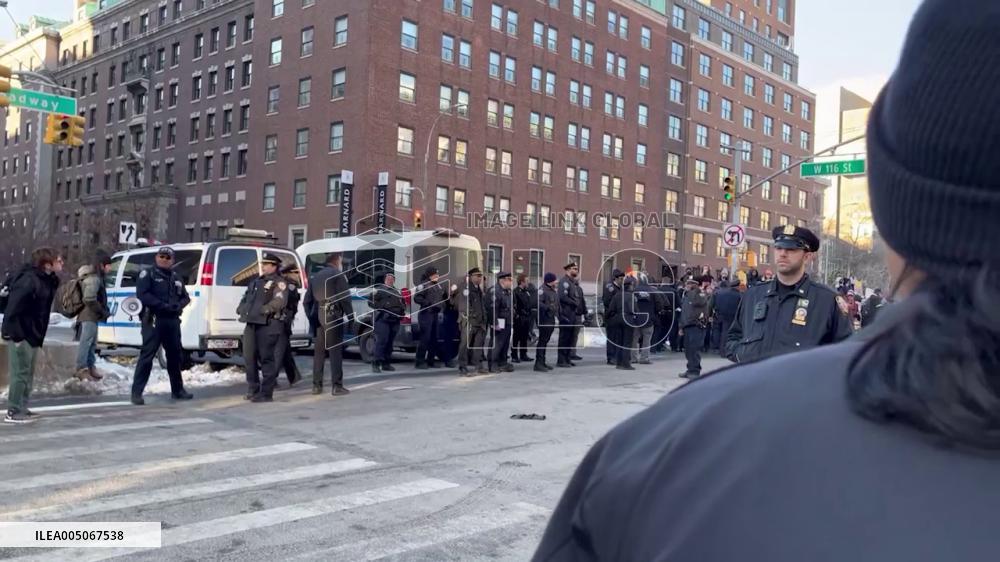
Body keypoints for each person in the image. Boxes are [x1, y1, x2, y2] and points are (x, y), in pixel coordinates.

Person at [533, 5, 1000, 558]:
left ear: (894, 206)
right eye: (775, 248)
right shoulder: (693, 421)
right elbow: (734, 334)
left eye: (789, 249)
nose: (780, 256)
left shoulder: (670, 446)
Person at [726, 225, 853, 364]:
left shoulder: (827, 300)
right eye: (779, 248)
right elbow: (733, 337)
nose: (783, 253)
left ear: (807, 257)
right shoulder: (754, 295)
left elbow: (846, 352)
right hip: (756, 383)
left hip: (799, 384)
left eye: (791, 249)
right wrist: (742, 354)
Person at [2, 248, 61, 424]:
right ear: (47, 263)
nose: (62, 263)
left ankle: (22, 407)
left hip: (34, 333)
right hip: (21, 333)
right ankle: (13, 410)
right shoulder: (29, 280)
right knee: (19, 373)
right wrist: (13, 334)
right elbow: (13, 308)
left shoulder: (47, 280)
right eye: (59, 260)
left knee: (28, 373)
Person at [131, 246, 193, 406]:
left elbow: (186, 297)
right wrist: (162, 305)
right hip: (153, 320)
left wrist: (178, 305)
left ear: (172, 260)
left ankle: (177, 390)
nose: (164, 260)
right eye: (161, 256)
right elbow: (143, 294)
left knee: (174, 357)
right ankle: (136, 393)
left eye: (167, 257)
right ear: (156, 258)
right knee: (147, 356)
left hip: (172, 321)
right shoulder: (148, 274)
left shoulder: (176, 277)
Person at [237, 253, 289, 402]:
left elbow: (279, 301)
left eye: (266, 264)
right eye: (263, 264)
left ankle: (266, 393)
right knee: (249, 357)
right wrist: (241, 307)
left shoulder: (279, 283)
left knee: (266, 359)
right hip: (251, 323)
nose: (263, 267)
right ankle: (253, 389)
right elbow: (246, 297)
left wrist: (265, 309)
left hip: (268, 324)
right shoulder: (256, 282)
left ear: (274, 266)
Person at [305, 252, 354, 396]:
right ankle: (337, 386)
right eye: (341, 261)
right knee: (335, 352)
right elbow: (345, 299)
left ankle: (316, 385)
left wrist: (312, 318)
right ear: (337, 261)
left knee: (319, 353)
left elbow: (307, 302)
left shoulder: (315, 276)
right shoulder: (337, 275)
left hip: (319, 316)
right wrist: (351, 317)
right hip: (333, 316)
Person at [74, 250, 112, 382]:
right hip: (88, 315)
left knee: (92, 342)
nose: (110, 268)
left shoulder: (97, 278)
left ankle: (91, 367)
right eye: (108, 265)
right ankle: (81, 368)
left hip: (92, 315)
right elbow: (89, 298)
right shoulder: (94, 278)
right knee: (86, 342)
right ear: (102, 265)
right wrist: (101, 310)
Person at [452, 267, 488, 376]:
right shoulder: (466, 289)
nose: (480, 278)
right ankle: (462, 367)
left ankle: (478, 365)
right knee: (464, 345)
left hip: (479, 322)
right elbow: (464, 306)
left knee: (478, 345)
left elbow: (481, 305)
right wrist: (472, 317)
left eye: (480, 276)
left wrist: (483, 319)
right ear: (471, 277)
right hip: (469, 322)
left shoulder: (478, 289)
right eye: (477, 276)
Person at [370, 272, 404, 373]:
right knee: (382, 341)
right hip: (383, 320)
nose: (390, 280)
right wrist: (383, 307)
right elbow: (370, 302)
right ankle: (376, 363)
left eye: (392, 278)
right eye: (389, 278)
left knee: (390, 343)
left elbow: (402, 303)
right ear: (385, 279)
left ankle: (386, 363)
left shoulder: (396, 291)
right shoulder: (379, 289)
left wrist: (402, 312)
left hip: (394, 320)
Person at [413, 266, 446, 369]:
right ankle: (419, 361)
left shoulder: (437, 285)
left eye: (437, 274)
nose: (437, 276)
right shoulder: (424, 285)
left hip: (435, 314)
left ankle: (430, 360)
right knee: (425, 338)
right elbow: (417, 298)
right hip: (426, 314)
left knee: (434, 338)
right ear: (430, 275)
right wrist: (428, 303)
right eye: (435, 274)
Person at [277, 264, 302, 389]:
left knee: (285, 350)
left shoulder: (282, 284)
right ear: (289, 273)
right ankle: (271, 378)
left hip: (282, 322)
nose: (298, 275)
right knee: (280, 351)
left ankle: (293, 377)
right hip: (283, 323)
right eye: (296, 272)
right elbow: (291, 306)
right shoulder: (290, 286)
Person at [679, 276, 709, 378]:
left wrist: (694, 291)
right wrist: (681, 327)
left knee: (694, 349)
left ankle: (695, 371)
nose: (686, 286)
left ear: (694, 285)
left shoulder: (699, 294)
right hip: (687, 325)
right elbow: (684, 313)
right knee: (688, 350)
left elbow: (700, 302)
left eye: (689, 284)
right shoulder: (686, 296)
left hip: (696, 325)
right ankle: (690, 369)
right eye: (686, 284)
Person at [607, 275, 637, 370]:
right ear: (631, 286)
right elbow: (635, 309)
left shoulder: (617, 295)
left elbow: (611, 309)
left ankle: (619, 363)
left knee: (619, 341)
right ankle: (625, 363)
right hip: (628, 319)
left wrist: (610, 318)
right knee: (627, 342)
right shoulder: (631, 296)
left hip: (617, 319)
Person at [486, 271, 515, 373]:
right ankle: (492, 364)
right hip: (499, 321)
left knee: (505, 343)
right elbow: (493, 309)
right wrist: (494, 323)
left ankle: (502, 362)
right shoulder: (495, 291)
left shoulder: (508, 291)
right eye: (509, 280)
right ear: (502, 280)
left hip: (507, 321)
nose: (511, 282)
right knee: (496, 343)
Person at [556, 262, 583, 367]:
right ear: (568, 270)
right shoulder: (564, 282)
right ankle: (561, 360)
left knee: (570, 338)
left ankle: (567, 358)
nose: (576, 270)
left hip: (573, 314)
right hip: (566, 313)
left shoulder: (572, 283)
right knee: (564, 338)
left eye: (577, 269)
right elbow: (562, 297)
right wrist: (573, 302)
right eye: (574, 269)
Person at [630, 273, 659, 365]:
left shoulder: (634, 291)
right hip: (648, 319)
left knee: (634, 339)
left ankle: (633, 358)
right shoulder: (652, 291)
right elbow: (659, 304)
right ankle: (644, 358)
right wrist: (655, 314)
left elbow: (629, 304)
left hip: (636, 319)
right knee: (647, 339)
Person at [709, 279, 742, 355]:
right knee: (725, 332)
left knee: (716, 331)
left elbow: (710, 305)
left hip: (718, 315)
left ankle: (715, 348)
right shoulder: (739, 295)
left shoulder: (717, 293)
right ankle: (723, 351)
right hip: (731, 316)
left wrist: (710, 315)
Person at [534, 272, 559, 372]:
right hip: (544, 319)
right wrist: (548, 308)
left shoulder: (552, 291)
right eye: (554, 281)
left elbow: (556, 304)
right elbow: (538, 302)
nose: (556, 283)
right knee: (542, 341)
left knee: (545, 341)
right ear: (550, 281)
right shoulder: (542, 290)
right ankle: (538, 364)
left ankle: (542, 362)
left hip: (550, 319)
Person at [601, 270, 623, 365]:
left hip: (618, 316)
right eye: (621, 278)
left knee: (617, 337)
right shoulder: (610, 288)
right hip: (611, 316)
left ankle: (616, 356)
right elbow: (607, 302)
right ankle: (611, 357)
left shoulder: (620, 288)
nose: (622, 280)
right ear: (616, 278)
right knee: (611, 338)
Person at [511, 274, 534, 363]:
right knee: (516, 338)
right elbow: (515, 305)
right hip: (519, 317)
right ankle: (514, 355)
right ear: (522, 282)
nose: (528, 283)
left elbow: (529, 304)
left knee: (524, 337)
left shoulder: (527, 292)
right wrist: (516, 315)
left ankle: (523, 354)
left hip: (527, 317)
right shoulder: (515, 292)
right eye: (526, 281)